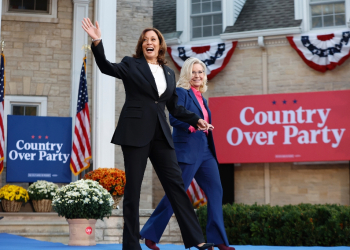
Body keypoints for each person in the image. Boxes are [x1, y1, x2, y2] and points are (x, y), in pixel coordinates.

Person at [82, 18, 215, 250]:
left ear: (160, 45)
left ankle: (196, 240)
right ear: (141, 45)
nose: (148, 42)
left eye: (153, 39)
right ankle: (132, 245)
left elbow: (175, 108)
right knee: (133, 190)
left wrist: (196, 119)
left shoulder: (169, 73)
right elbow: (106, 67)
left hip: (161, 135)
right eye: (145, 40)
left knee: (176, 186)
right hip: (134, 133)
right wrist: (97, 41)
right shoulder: (131, 65)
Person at [140, 57, 235, 250]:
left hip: (206, 152)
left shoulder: (203, 98)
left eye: (200, 72)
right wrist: (194, 126)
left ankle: (219, 240)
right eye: (194, 72)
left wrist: (205, 127)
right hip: (187, 151)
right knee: (176, 194)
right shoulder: (181, 93)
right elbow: (174, 119)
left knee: (216, 191)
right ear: (187, 74)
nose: (197, 75)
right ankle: (150, 234)